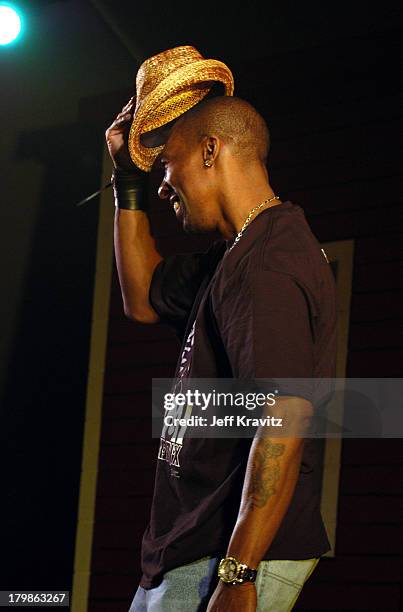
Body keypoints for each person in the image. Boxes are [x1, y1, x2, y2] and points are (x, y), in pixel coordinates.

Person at [106, 86, 337, 610]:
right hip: (192, 548)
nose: (164, 183)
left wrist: (238, 574)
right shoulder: (233, 259)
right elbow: (141, 298)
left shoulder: (268, 265)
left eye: (168, 163)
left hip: (225, 555)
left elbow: (284, 417)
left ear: (211, 151)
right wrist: (128, 178)